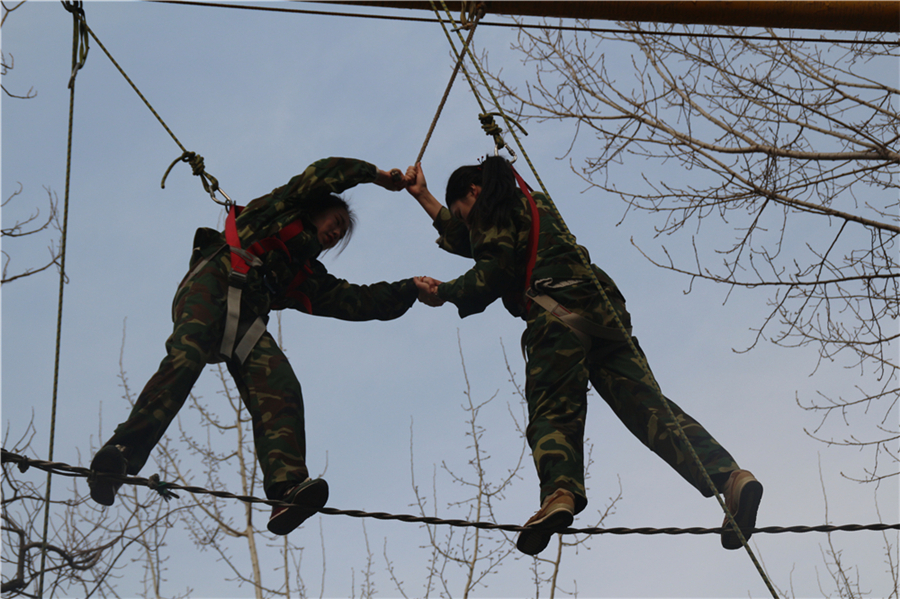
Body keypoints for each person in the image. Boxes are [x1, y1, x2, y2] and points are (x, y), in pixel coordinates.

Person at [405, 157, 763, 556]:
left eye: (461, 212)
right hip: (603, 312)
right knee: (651, 411)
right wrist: (424, 197)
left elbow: (493, 269)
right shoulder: (529, 201)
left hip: (557, 313)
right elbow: (476, 238)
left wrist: (445, 292)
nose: (465, 222)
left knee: (553, 408)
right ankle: (730, 478)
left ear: (474, 192)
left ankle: (560, 493)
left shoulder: (494, 209)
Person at [90, 157, 429, 536]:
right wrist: (380, 178)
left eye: (343, 232)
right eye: (337, 221)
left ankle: (286, 489)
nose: (338, 231)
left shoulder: (304, 275)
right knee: (185, 361)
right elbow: (328, 171)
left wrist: (410, 289)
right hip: (213, 284)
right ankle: (120, 454)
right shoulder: (280, 209)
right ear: (317, 208)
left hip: (245, 321)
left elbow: (358, 301)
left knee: (280, 384)